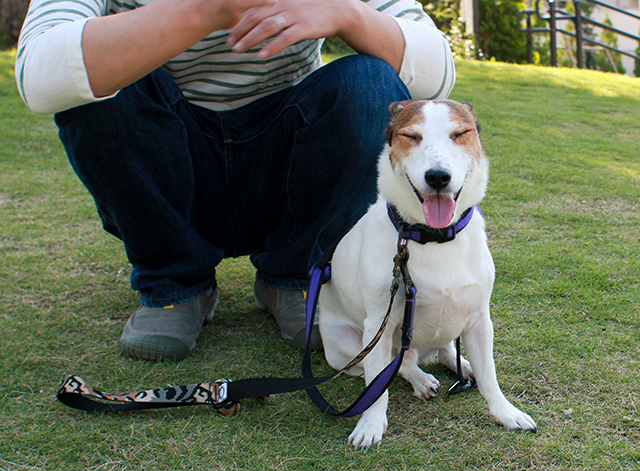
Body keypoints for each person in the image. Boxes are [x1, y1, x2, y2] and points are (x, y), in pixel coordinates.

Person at [15, 0, 456, 362]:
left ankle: (295, 275)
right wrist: (207, 9)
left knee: (367, 82)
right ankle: (175, 282)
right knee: (91, 80)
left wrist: (348, 13)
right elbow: (40, 72)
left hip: (289, 161)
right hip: (166, 158)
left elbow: (437, 73)